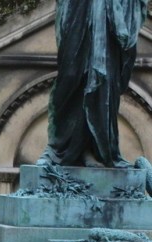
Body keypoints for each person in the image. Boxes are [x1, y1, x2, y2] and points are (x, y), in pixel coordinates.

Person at [37, 0, 149, 168]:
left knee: (103, 86)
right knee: (70, 75)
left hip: (110, 13)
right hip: (77, 7)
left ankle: (94, 150)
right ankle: (58, 147)